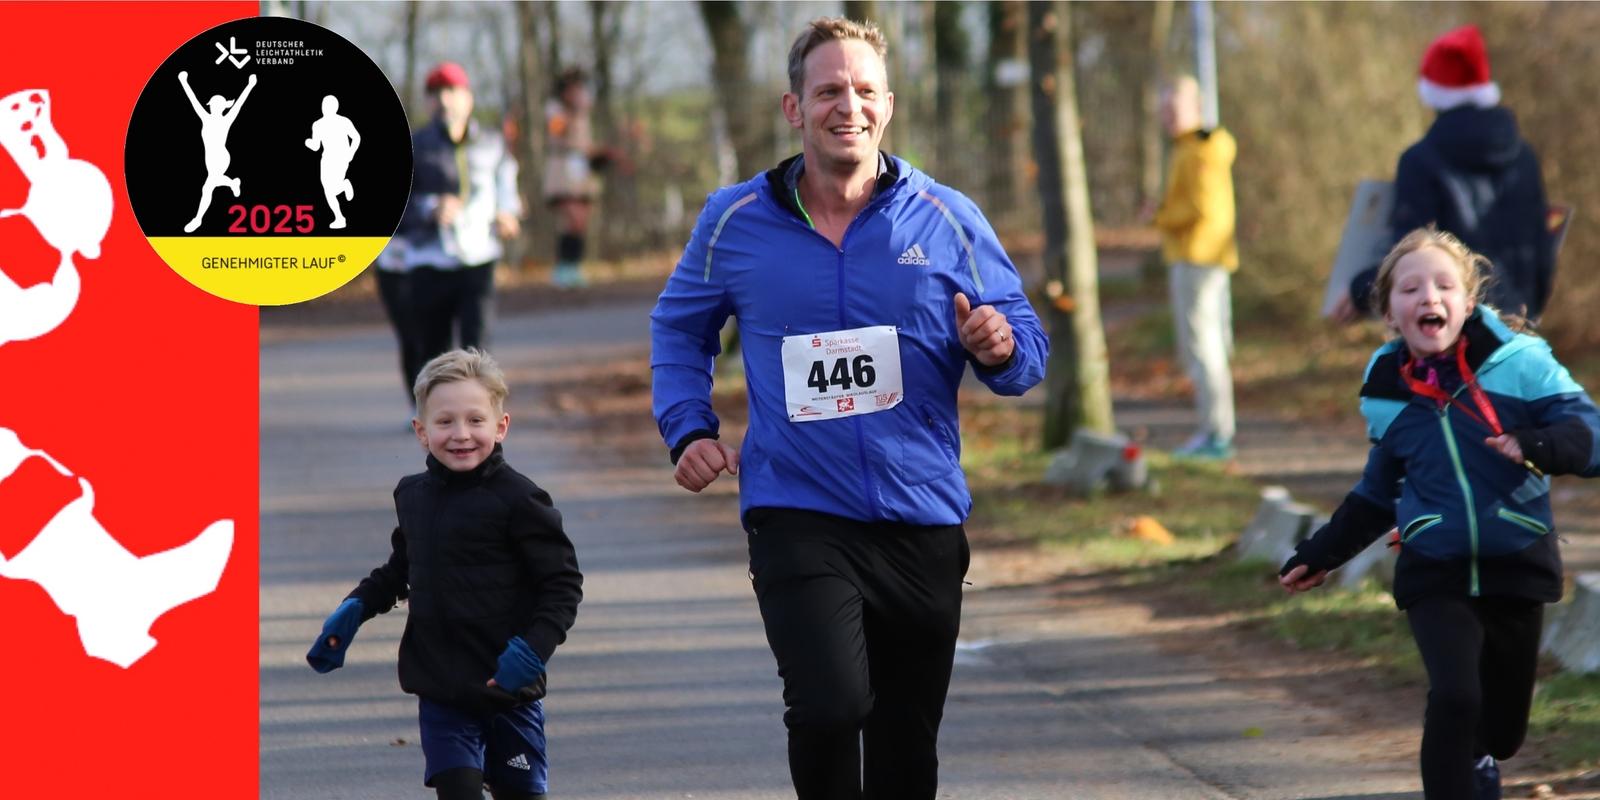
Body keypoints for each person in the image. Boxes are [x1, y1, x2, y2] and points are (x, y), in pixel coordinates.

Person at [649, 17, 1046, 799]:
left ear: (888, 105)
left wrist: (998, 347)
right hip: (797, 509)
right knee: (830, 708)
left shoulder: (946, 217)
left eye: (864, 90)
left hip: (920, 515)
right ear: (794, 109)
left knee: (905, 740)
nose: (848, 106)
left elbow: (1025, 347)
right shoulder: (735, 221)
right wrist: (687, 425)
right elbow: (678, 327)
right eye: (828, 90)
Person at [1278, 228, 1599, 800]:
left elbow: (1592, 435)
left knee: (1500, 732)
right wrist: (1321, 553)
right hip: (1434, 564)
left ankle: (1478, 758)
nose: (1429, 296)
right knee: (1455, 697)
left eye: (1444, 285)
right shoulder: (1386, 391)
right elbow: (1379, 492)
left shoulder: (1523, 364)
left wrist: (1539, 444)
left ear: (1468, 304)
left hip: (1517, 562)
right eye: (1410, 287)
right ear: (1390, 311)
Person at [306, 348, 583, 800]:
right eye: (445, 422)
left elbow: (563, 584)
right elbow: (403, 567)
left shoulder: (521, 500)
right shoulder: (414, 495)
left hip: (508, 688)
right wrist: (355, 608)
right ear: (421, 431)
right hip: (441, 686)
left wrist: (533, 651)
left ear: (501, 426)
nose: (461, 435)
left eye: (476, 420)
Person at [1330, 25, 1553, 323]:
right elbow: (1543, 248)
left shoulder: (1419, 161)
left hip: (1451, 328)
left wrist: (1360, 292)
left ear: (1433, 92)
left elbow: (1410, 256)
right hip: (1518, 321)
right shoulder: (1524, 156)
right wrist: (1529, 309)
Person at [378, 62, 522, 405]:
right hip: (428, 260)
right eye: (436, 94)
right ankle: (432, 414)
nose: (445, 101)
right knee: (433, 349)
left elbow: (505, 184)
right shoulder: (413, 146)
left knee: (478, 346)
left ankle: (479, 413)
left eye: (453, 92)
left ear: (468, 98)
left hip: (479, 256)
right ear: (428, 102)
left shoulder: (491, 143)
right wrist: (430, 209)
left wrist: (508, 212)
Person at [1152, 74, 1239, 460]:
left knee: (1204, 351)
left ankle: (1216, 435)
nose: (1168, 117)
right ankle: (1215, 431)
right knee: (1208, 348)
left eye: (1175, 109)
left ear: (1196, 108)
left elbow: (1199, 209)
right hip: (1201, 258)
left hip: (1197, 258)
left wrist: (1160, 215)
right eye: (1164, 110)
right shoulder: (1190, 147)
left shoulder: (1200, 151)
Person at [542, 68, 613, 289]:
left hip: (581, 167)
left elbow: (584, 142)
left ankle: (574, 266)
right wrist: (573, 112)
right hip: (562, 167)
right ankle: (562, 267)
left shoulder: (584, 114)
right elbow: (558, 131)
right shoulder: (555, 110)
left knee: (581, 220)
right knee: (570, 216)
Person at [177, 71, 257, 233]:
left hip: (221, 158)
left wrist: (250, 85)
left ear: (221, 107)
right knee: (213, 182)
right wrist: (184, 81)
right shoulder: (205, 117)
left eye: (216, 105)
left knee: (208, 187)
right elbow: (193, 100)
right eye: (212, 105)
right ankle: (232, 183)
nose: (213, 107)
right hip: (210, 159)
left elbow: (239, 104)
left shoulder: (226, 119)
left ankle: (197, 219)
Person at [304, 94, 361, 230]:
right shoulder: (317, 125)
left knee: (330, 190)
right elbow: (316, 146)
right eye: (325, 105)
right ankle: (340, 215)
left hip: (340, 158)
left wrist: (351, 153)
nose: (326, 108)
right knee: (328, 190)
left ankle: (340, 211)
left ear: (335, 107)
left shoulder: (344, 121)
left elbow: (356, 137)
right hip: (327, 160)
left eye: (329, 105)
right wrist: (309, 142)